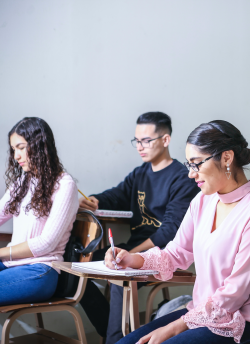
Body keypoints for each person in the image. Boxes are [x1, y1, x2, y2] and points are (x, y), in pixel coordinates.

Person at [108, 120, 250, 344]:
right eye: (189, 165)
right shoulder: (203, 200)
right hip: (205, 316)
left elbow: (234, 293)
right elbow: (176, 253)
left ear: (227, 157)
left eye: (196, 164)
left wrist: (173, 329)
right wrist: (132, 259)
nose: (191, 174)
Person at [78, 112, 200, 343]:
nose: (140, 147)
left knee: (119, 276)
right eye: (137, 141)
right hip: (133, 248)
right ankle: (109, 329)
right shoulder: (140, 174)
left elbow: (169, 232)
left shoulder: (182, 178)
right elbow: (117, 195)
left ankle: (113, 339)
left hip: (162, 252)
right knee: (80, 266)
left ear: (165, 140)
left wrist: (133, 254)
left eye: (147, 141)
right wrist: (95, 200)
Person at [0, 117, 78, 306]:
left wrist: (1, 252)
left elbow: (46, 243)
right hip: (11, 265)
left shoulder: (64, 184)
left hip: (39, 271)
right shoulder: (21, 183)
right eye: (13, 149)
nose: (16, 156)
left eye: (21, 147)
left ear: (39, 145)